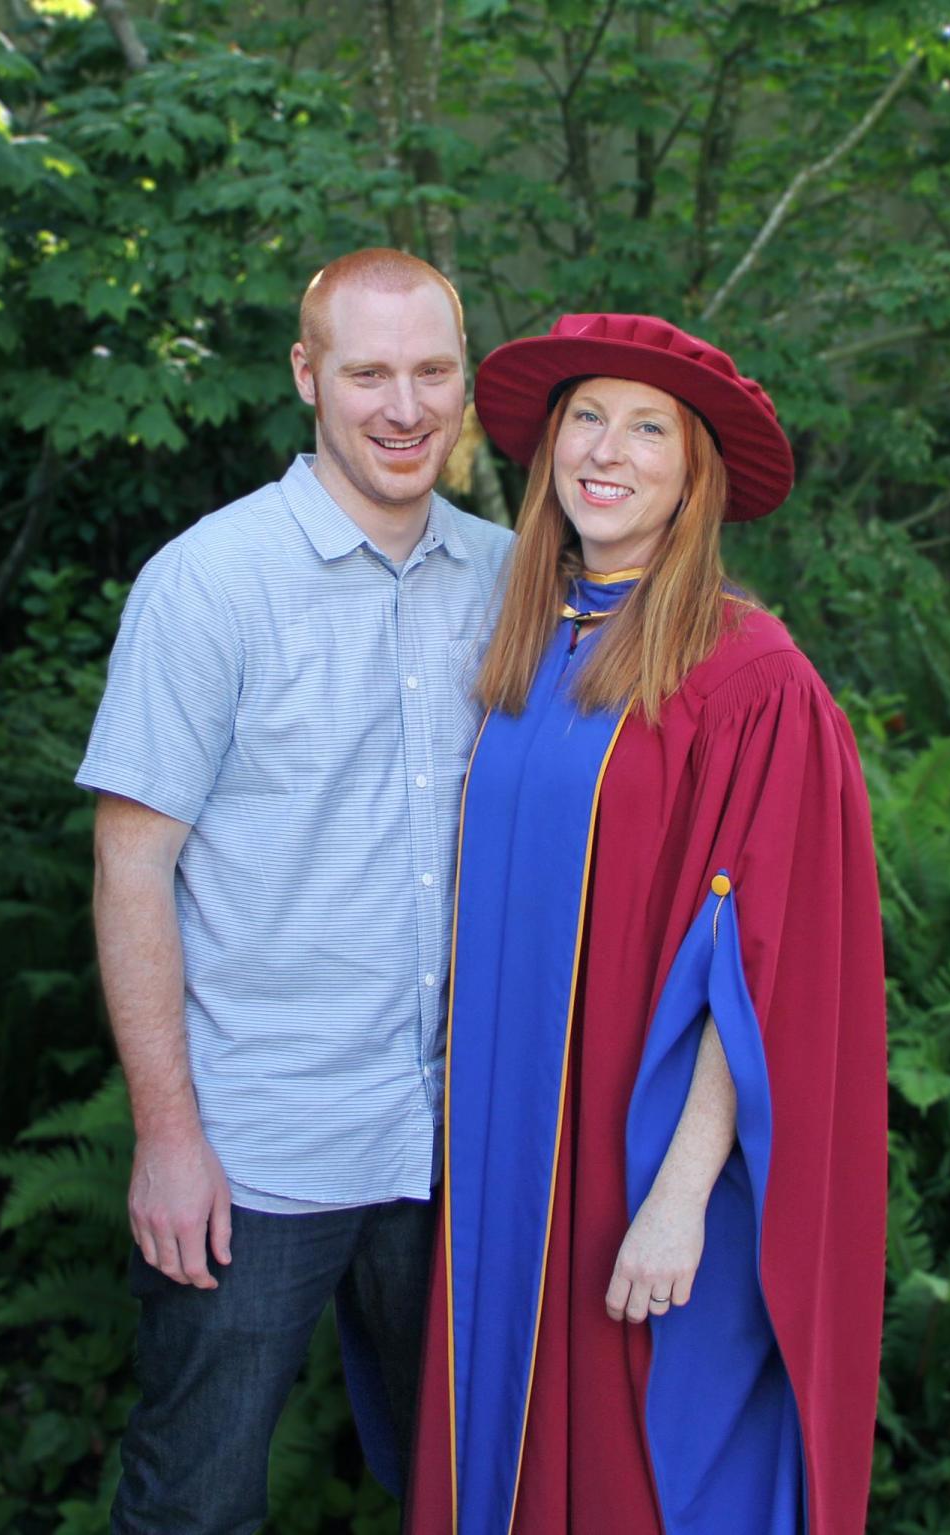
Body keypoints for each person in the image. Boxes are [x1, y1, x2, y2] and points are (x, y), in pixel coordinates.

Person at [406, 313, 886, 1535]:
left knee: (641, 1469)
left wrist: (678, 1195)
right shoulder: (534, 647)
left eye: (647, 426)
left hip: (643, 1170)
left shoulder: (748, 675)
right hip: (507, 1163)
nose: (605, 451)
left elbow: (762, 965)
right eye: (585, 418)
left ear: (693, 472)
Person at [76, 248, 512, 1534]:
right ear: (306, 376)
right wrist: (166, 1135)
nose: (404, 404)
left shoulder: (508, 580)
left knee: (467, 1489)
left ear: (465, 382)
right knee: (194, 1503)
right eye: (368, 371)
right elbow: (130, 861)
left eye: (433, 370)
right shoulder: (207, 582)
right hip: (252, 1145)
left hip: (456, 1141)